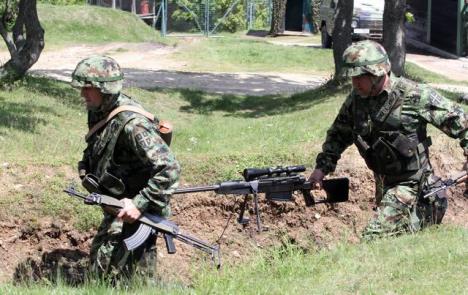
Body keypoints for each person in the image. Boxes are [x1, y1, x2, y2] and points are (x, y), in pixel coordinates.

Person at [308, 40, 468, 241]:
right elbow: (338, 135)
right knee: (396, 238)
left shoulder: (414, 95)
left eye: (360, 77)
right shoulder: (356, 101)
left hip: (413, 186)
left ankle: (424, 215)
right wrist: (321, 169)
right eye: (353, 77)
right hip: (384, 185)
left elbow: (459, 120)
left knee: (373, 238)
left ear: (377, 73)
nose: (355, 83)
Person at [70, 55, 180, 281]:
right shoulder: (100, 111)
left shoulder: (133, 125)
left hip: (138, 211)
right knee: (99, 270)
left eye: (88, 88)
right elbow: (99, 144)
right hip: (117, 206)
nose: (83, 94)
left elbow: (169, 168)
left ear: (105, 89)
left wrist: (139, 204)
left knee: (129, 277)